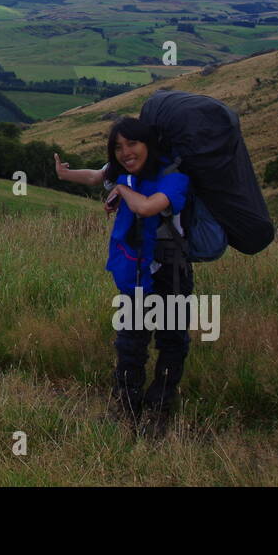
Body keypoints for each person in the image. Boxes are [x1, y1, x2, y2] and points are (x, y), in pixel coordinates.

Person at [54, 117, 193, 427]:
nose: (125, 152)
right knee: (130, 342)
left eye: (132, 144)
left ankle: (158, 410)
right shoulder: (125, 175)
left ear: (149, 144)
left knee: (171, 341)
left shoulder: (173, 177)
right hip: (136, 272)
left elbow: (147, 207)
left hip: (170, 271)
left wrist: (119, 187)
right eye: (118, 147)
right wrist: (65, 173)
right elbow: (96, 176)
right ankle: (126, 408)